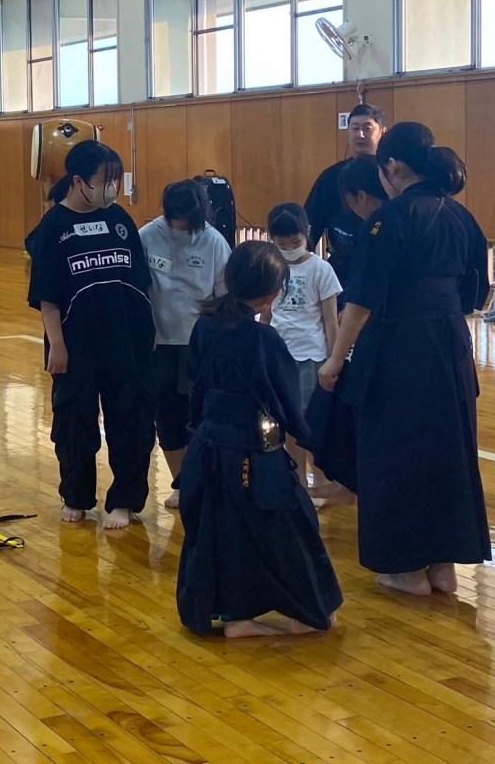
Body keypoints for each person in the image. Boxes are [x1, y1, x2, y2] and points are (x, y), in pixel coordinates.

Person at [319, 123, 491, 597]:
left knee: (395, 451)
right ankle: (443, 566)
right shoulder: (462, 217)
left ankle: (406, 570)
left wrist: (335, 360)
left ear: (392, 167)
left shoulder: (389, 219)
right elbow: (475, 294)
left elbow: (361, 301)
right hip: (451, 344)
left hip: (399, 345)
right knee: (447, 448)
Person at [177, 241, 343, 638]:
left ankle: (235, 616)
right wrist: (316, 443)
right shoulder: (263, 339)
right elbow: (285, 403)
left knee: (222, 528)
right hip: (252, 449)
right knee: (292, 524)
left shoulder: (205, 325)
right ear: (272, 295)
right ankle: (306, 611)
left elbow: (194, 380)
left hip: (208, 444)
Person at [27, 140, 155, 530]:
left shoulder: (120, 220)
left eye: (116, 180)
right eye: (105, 180)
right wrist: (57, 344)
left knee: (131, 422)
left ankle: (125, 500)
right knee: (75, 424)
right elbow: (47, 295)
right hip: (75, 344)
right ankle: (77, 496)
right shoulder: (53, 227)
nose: (111, 188)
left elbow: (141, 284)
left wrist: (146, 334)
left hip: (125, 341)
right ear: (79, 181)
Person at [139, 180, 231, 509]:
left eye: (186, 220)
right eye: (174, 219)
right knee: (167, 417)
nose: (179, 226)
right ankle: (180, 482)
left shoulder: (214, 241)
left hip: (199, 343)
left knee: (200, 416)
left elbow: (224, 298)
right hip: (159, 343)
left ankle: (203, 480)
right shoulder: (147, 236)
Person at [306, 155, 388, 505]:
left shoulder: (381, 228)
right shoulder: (409, 217)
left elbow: (359, 305)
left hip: (385, 333)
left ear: (361, 197)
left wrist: (336, 357)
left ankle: (361, 484)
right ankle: (349, 481)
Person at [261, 202, 342, 495]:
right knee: (285, 420)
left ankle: (320, 481)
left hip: (311, 356)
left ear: (306, 233)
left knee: (311, 422)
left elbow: (331, 320)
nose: (289, 249)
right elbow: (266, 313)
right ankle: (296, 479)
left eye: (295, 242)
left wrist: (334, 359)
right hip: (279, 355)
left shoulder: (321, 269)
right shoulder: (271, 268)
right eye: (281, 244)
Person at [305, 103, 387, 300]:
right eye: (355, 128)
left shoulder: (391, 174)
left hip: (384, 270)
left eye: (367, 128)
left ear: (382, 132)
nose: (360, 135)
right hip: (342, 267)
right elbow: (311, 222)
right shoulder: (332, 176)